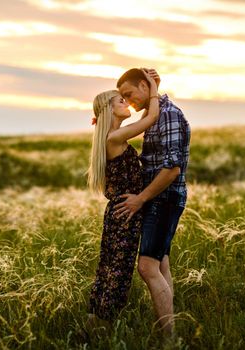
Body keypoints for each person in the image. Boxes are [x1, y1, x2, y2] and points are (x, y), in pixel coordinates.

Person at [114, 68, 190, 336]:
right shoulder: (155, 112)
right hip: (158, 198)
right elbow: (144, 119)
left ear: (144, 87)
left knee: (147, 267)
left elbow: (172, 168)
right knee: (161, 264)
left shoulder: (168, 114)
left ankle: (168, 337)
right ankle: (170, 329)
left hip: (164, 198)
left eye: (129, 93)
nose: (128, 100)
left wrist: (140, 199)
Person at [86, 69, 160, 331]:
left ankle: (94, 324)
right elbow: (151, 117)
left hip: (120, 212)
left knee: (110, 267)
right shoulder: (115, 137)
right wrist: (153, 86)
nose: (126, 103)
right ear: (109, 110)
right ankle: (101, 328)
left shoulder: (113, 137)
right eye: (121, 101)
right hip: (125, 213)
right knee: (118, 271)